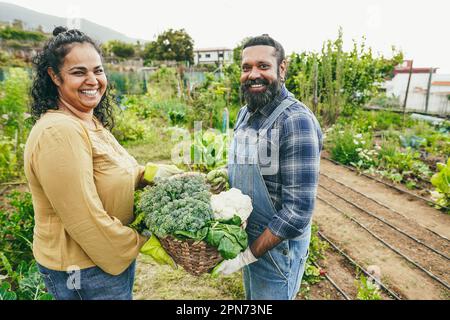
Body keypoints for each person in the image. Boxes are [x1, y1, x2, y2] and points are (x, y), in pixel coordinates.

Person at [24, 26, 180, 300]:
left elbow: (106, 172)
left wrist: (148, 174)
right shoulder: (59, 132)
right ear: (54, 77)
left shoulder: (85, 120)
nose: (92, 80)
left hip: (102, 262)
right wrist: (142, 241)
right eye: (78, 72)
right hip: (82, 270)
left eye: (97, 70)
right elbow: (84, 219)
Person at [210, 35, 323, 300]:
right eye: (246, 67)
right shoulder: (245, 113)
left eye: (263, 66)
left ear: (281, 69)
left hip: (277, 253)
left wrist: (247, 256)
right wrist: (224, 176)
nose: (253, 74)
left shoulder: (295, 121)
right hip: (251, 240)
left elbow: (297, 213)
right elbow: (254, 169)